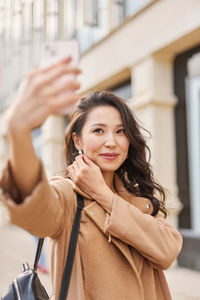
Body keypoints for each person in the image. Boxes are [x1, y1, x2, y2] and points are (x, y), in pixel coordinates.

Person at [0, 56, 182, 300]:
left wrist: (104, 195)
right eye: (98, 130)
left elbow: (168, 252)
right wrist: (19, 133)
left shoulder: (138, 196)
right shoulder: (67, 195)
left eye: (121, 131)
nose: (111, 142)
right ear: (77, 140)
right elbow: (34, 209)